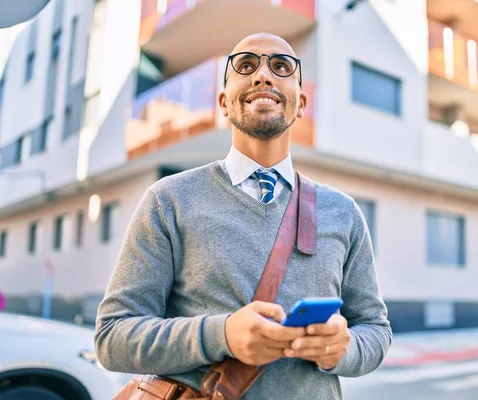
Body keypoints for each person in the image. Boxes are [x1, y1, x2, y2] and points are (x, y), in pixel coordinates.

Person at [94, 32, 392, 399]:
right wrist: (221, 335)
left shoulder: (343, 213)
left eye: (280, 66)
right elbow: (112, 337)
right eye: (246, 65)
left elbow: (375, 330)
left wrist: (342, 349)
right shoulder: (168, 200)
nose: (263, 75)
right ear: (223, 101)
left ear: (301, 102)